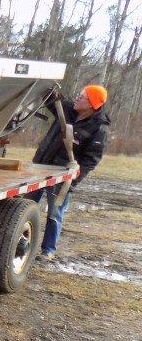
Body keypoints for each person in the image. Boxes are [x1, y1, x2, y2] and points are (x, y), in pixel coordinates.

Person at [32, 84, 110, 260]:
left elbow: (91, 160)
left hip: (63, 176)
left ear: (91, 104)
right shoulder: (66, 108)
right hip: (41, 166)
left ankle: (48, 250)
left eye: (81, 97)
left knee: (54, 213)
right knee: (25, 207)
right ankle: (20, 242)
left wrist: (72, 181)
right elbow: (48, 96)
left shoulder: (99, 129)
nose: (77, 98)